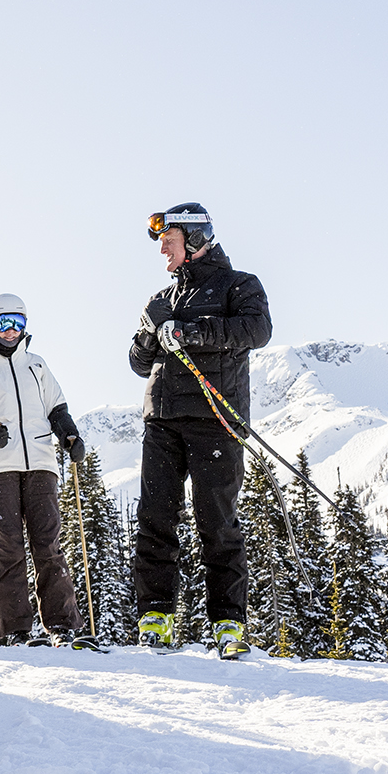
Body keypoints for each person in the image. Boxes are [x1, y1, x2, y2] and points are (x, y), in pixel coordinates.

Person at [129, 204, 271, 659]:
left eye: (168, 243)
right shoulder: (161, 299)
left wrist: (190, 333)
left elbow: (257, 329)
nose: (163, 254)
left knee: (217, 522)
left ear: (194, 239)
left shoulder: (239, 285)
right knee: (155, 517)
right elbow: (137, 364)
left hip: (215, 419)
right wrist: (150, 333)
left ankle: (228, 625)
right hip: (162, 420)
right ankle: (156, 618)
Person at [0, 294, 86, 646]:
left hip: (40, 462)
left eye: (18, 323)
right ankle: (15, 630)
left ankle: (62, 626)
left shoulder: (37, 365)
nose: (11, 331)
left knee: (48, 544)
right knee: (9, 546)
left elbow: (57, 408)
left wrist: (69, 436)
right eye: (2, 323)